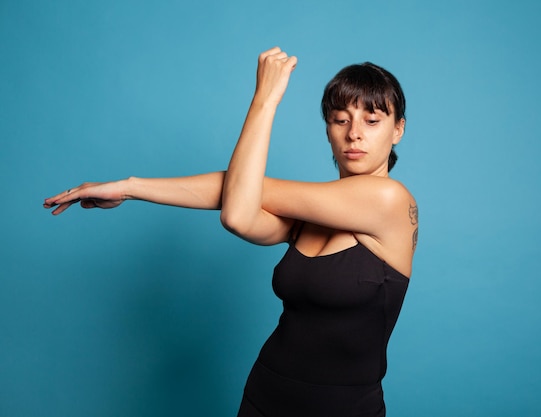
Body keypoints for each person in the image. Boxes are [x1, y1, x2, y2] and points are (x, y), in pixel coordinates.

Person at [44, 47, 418, 417]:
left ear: (397, 129)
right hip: (265, 395)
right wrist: (127, 187)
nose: (354, 134)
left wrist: (266, 98)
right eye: (340, 119)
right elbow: (241, 207)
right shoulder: (306, 216)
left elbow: (238, 202)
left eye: (372, 121)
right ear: (328, 130)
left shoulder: (390, 200)